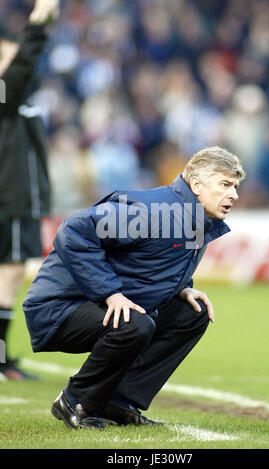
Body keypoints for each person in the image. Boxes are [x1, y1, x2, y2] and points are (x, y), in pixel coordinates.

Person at [23, 146, 245, 430]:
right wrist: (111, 294)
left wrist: (181, 287)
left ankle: (117, 401)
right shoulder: (153, 211)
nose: (234, 194)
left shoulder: (196, 218)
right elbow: (73, 231)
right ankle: (76, 401)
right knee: (134, 324)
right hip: (58, 306)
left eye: (235, 186)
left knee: (193, 312)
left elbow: (150, 260)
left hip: (91, 302)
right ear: (197, 185)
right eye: (225, 184)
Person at [0, 0, 59, 380]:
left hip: (16, 203)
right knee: (8, 279)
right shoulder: (5, 98)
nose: (14, 58)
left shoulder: (14, 103)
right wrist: (40, 18)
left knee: (9, 279)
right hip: (11, 204)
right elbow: (21, 70)